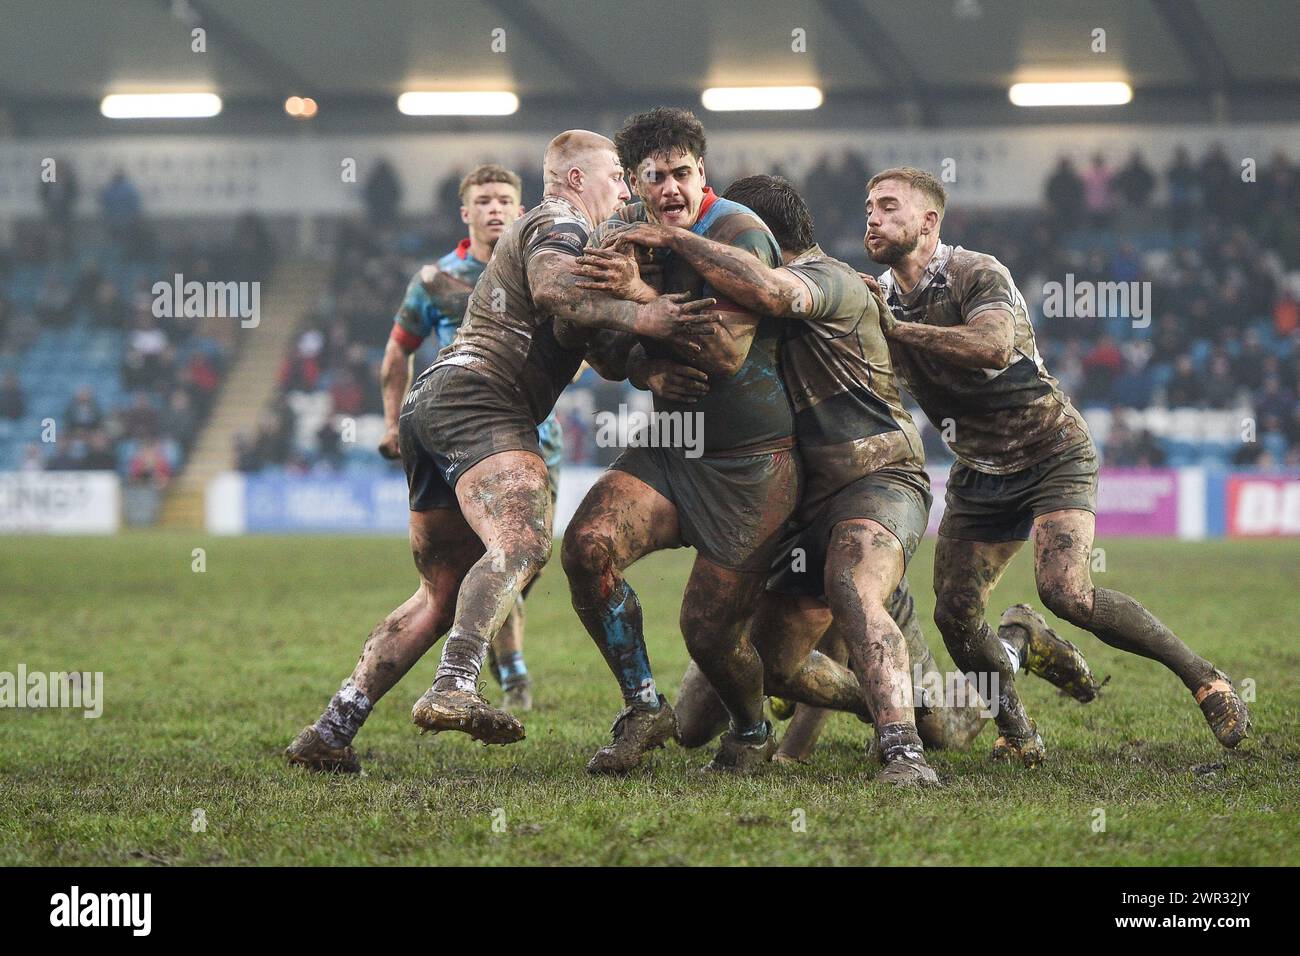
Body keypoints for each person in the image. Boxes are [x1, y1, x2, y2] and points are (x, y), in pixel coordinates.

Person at [592, 175, 1099, 784]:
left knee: (907, 669)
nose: (716, 238)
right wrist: (646, 356)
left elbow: (774, 294)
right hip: (799, 506)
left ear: (758, 242)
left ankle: (918, 733)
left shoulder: (823, 281)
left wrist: (672, 242)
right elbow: (653, 345)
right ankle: (875, 704)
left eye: (727, 231)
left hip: (876, 480)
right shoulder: (739, 302)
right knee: (714, 707)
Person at [286, 130, 721, 772]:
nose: (626, 191)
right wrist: (646, 318)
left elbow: (589, 340)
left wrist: (645, 369)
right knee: (521, 543)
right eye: (617, 178)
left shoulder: (578, 240)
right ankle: (455, 686)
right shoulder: (557, 219)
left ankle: (331, 728)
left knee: (442, 590)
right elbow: (551, 291)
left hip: (434, 405)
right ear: (575, 179)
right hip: (482, 401)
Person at [864, 166, 1249, 765]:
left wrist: (899, 331)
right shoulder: (877, 300)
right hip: (979, 469)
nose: (874, 217)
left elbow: (991, 346)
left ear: (928, 222)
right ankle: (1018, 732)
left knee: (1065, 591)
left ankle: (1206, 680)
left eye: (890, 207)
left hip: (1051, 450)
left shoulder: (975, 272)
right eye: (870, 207)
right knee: (955, 615)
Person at [562, 110, 799, 775]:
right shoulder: (623, 234)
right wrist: (646, 365)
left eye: (683, 174)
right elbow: (602, 348)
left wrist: (640, 294)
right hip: (672, 442)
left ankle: (752, 731)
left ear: (705, 173)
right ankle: (644, 706)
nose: (671, 188)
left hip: (753, 462)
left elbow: (724, 354)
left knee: (706, 631)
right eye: (655, 176)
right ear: (635, 182)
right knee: (587, 549)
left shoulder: (739, 234)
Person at [376, 163, 558, 713]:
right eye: (483, 201)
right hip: (464, 437)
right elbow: (395, 356)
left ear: (521, 210)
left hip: (538, 437)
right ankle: (509, 675)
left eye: (504, 199)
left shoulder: (541, 269)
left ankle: (496, 661)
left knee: (524, 561)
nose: (494, 208)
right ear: (466, 213)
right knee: (497, 552)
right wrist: (390, 423)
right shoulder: (436, 280)